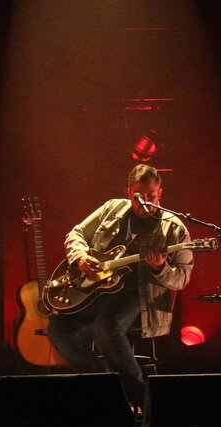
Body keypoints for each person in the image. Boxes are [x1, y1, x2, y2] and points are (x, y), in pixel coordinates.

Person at [47, 164, 193, 409]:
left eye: (151, 196)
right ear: (128, 192)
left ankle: (139, 395)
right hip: (96, 291)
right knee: (58, 328)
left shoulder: (174, 228)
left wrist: (160, 268)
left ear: (160, 193)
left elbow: (182, 278)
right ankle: (105, 386)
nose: (145, 202)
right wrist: (81, 257)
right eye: (138, 196)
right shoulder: (111, 209)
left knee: (106, 325)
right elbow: (76, 234)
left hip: (139, 296)